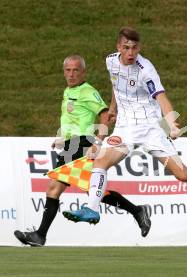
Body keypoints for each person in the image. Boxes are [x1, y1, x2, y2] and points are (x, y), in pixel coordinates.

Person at [62, 27, 187, 224]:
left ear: (139, 48)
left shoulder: (146, 70)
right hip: (125, 127)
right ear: (118, 47)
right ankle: (91, 209)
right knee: (100, 162)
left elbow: (161, 97)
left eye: (134, 48)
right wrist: (112, 108)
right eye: (126, 48)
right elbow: (115, 83)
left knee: (183, 174)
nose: (131, 53)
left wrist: (171, 124)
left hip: (150, 127)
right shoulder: (110, 60)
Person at [14, 55, 152, 247]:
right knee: (65, 189)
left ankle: (137, 211)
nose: (71, 74)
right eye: (68, 70)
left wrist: (97, 141)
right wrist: (64, 138)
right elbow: (75, 119)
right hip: (72, 145)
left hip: (83, 145)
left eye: (75, 70)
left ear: (83, 72)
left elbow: (105, 115)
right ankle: (40, 235)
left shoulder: (88, 92)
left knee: (82, 190)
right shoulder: (68, 91)